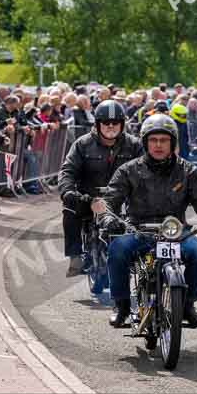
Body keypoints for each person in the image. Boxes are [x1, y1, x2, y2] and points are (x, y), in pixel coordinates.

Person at [101, 114, 197, 328]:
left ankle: (188, 305)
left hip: (176, 233)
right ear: (145, 142)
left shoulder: (188, 171)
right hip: (139, 231)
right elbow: (110, 201)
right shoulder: (128, 170)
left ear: (173, 142)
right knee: (117, 251)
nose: (158, 145)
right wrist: (107, 218)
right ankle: (122, 305)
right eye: (153, 140)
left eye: (164, 140)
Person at [58, 100, 142, 279]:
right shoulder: (83, 144)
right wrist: (67, 190)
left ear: (122, 124)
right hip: (89, 197)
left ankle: (138, 259)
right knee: (70, 209)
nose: (110, 126)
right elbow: (68, 170)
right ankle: (75, 256)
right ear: (98, 124)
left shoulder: (134, 145)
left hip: (120, 199)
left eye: (115, 123)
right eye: (106, 123)